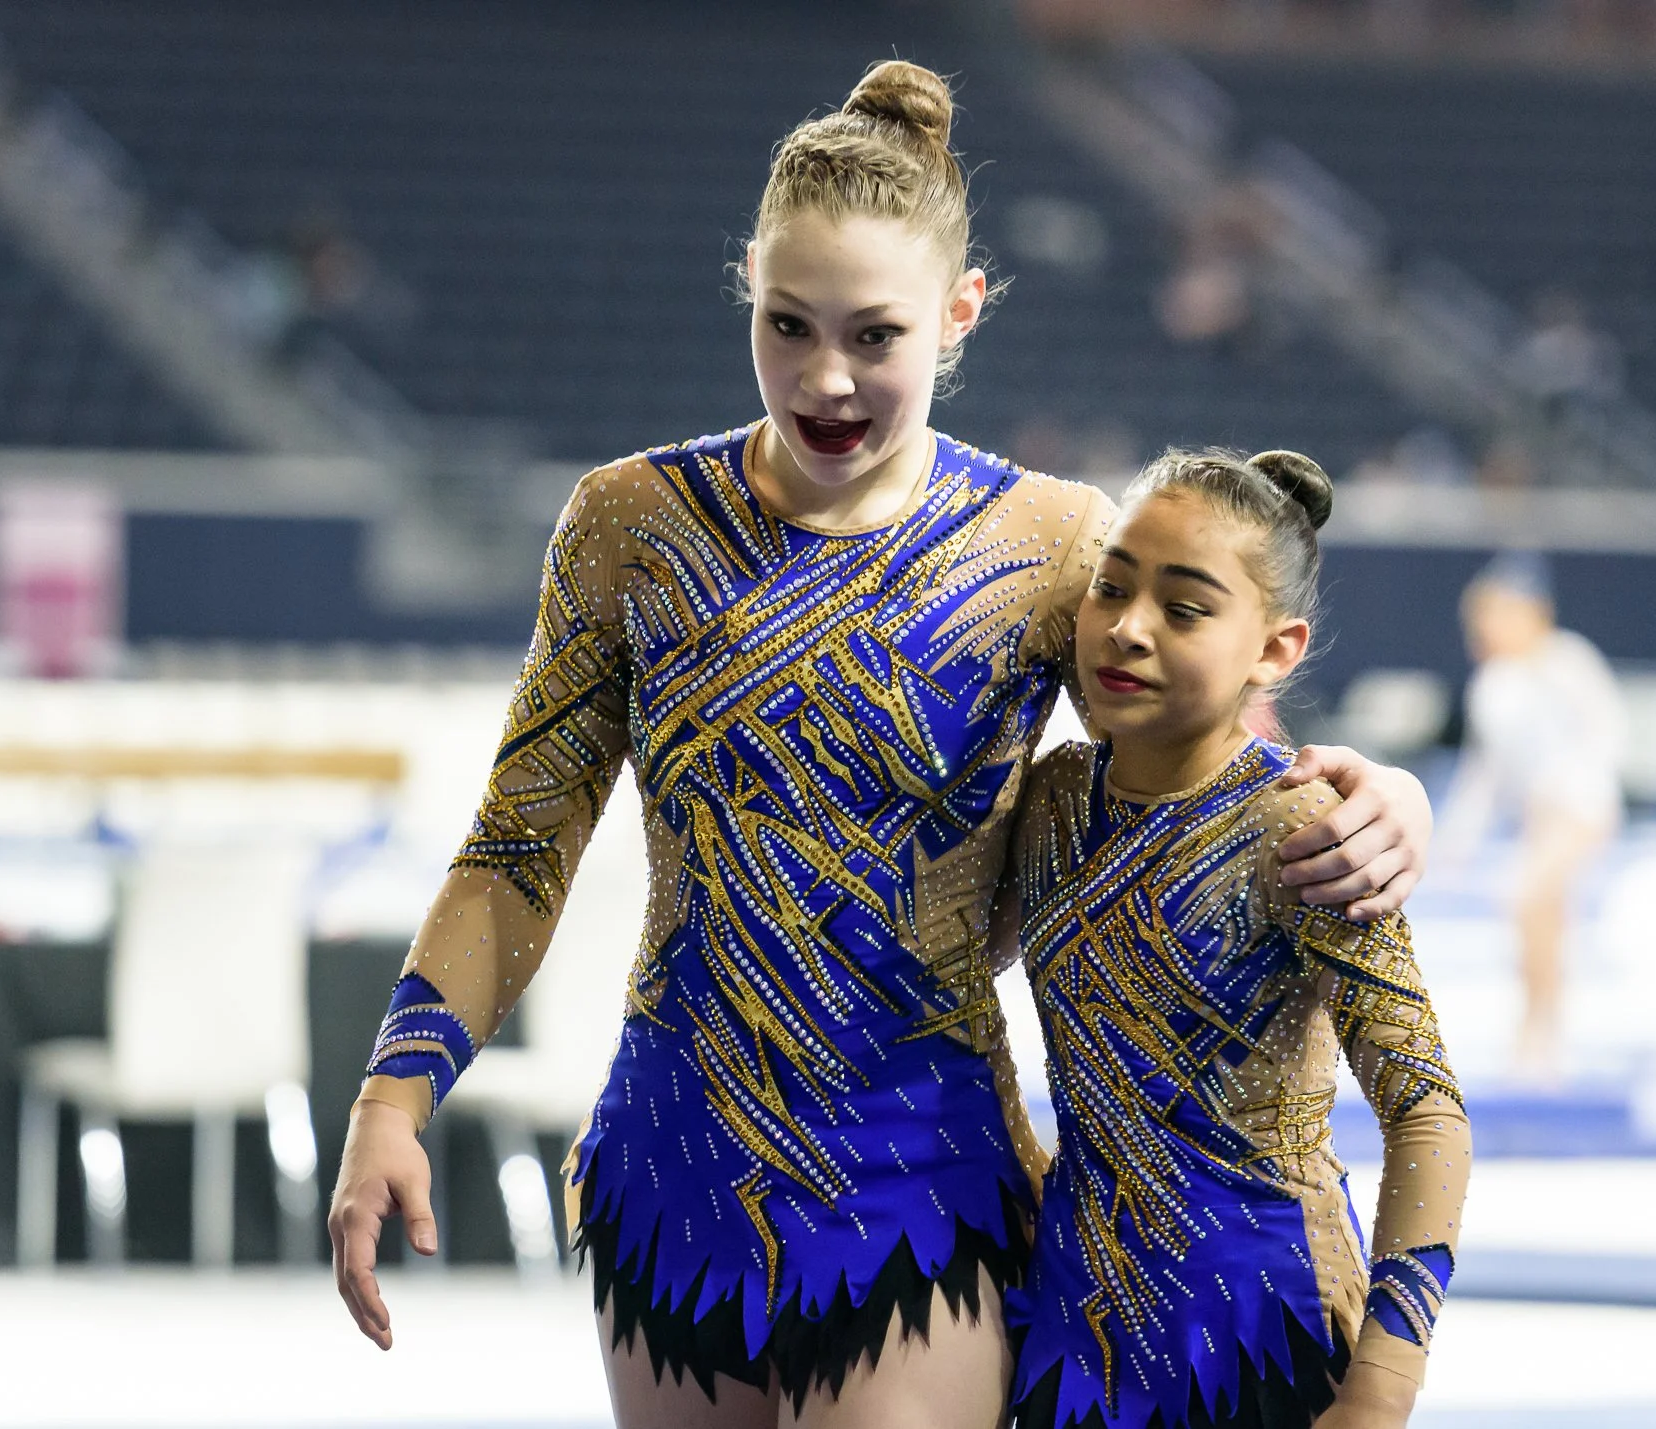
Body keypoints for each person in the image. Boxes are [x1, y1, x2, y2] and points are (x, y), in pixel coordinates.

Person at [329, 64, 1435, 1429]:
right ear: (746, 283)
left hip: (920, 1174)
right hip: (674, 1167)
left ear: (960, 313)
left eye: (875, 335)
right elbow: (518, 849)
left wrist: (1386, 794)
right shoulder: (629, 525)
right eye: (787, 325)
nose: (826, 378)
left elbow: (1199, 768)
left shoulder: (1049, 544)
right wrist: (393, 1095)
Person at [1004, 449, 1470, 1429]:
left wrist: (1382, 1388)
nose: (1128, 628)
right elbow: (941, 981)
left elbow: (1427, 1114)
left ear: (1273, 650)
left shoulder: (1299, 824)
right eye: (1110, 588)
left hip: (1267, 1327)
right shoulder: (1047, 802)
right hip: (1077, 1327)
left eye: (1183, 609)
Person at [1440, 552, 1623, 1083]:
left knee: (1525, 897)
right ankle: (1542, 1028)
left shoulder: (1567, 661)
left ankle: (1540, 1029)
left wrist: (1567, 785)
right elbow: (1484, 771)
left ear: (1529, 614)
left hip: (1581, 808)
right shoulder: (1493, 685)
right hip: (1538, 818)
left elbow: (1608, 729)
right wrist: (1456, 837)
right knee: (1541, 919)